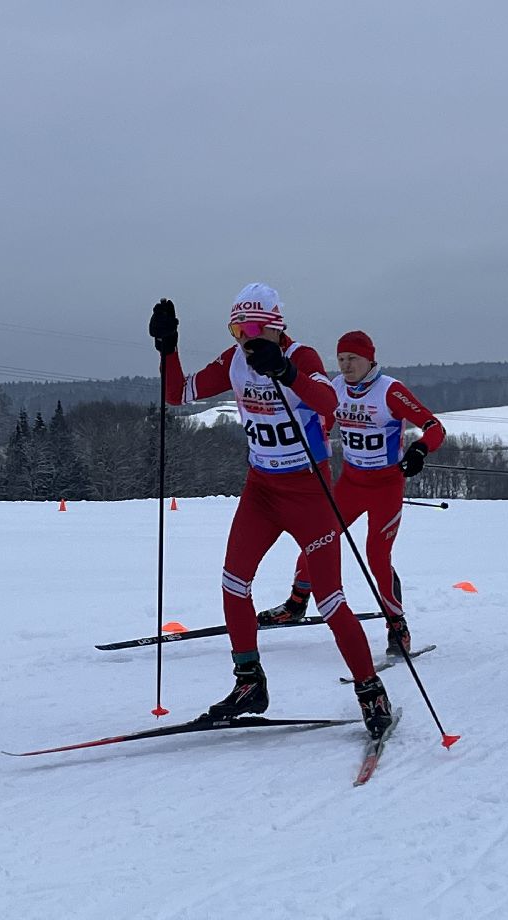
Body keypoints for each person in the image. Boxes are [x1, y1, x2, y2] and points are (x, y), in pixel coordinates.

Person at [150, 284, 395, 737]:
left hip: (309, 492)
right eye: (236, 328)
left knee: (330, 600)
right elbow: (177, 394)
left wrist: (285, 371)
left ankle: (371, 689)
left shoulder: (301, 357)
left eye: (252, 329)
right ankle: (249, 683)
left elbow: (329, 402)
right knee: (233, 581)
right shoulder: (235, 359)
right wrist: (168, 348)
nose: (243, 337)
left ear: (276, 328)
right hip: (261, 489)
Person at [257, 330, 445, 657]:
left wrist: (419, 450)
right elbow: (322, 421)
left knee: (376, 555)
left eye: (352, 359)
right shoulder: (336, 389)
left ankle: (396, 625)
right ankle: (297, 602)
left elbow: (434, 427)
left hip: (386, 487)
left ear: (370, 358)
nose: (345, 366)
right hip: (351, 484)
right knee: (318, 538)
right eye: (341, 359)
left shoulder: (390, 390)